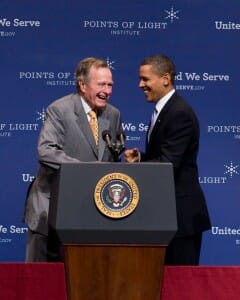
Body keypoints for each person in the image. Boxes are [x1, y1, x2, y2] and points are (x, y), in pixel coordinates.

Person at [24, 57, 123, 262]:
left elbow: (112, 156)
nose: (108, 90)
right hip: (51, 209)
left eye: (110, 84)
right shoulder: (60, 109)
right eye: (101, 84)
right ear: (82, 84)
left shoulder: (113, 115)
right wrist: (84, 170)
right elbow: (46, 151)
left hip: (89, 212)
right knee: (41, 283)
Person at [124, 54, 211, 265]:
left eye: (145, 79)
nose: (140, 85)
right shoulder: (165, 110)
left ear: (165, 78)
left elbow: (169, 164)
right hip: (166, 216)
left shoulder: (179, 112)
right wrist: (142, 159)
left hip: (180, 218)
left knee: (178, 286)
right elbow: (165, 156)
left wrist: (140, 167)